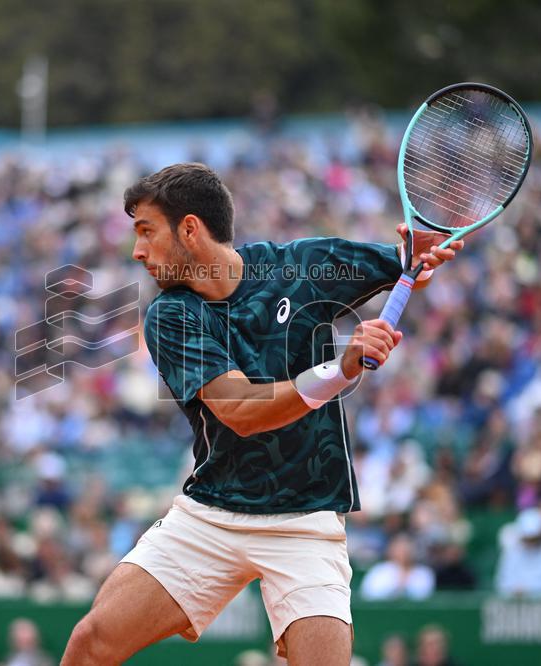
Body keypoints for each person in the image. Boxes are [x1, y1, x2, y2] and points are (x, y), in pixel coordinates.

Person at [62, 163, 461, 664]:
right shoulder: (171, 315)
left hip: (306, 519)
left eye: (147, 232)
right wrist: (343, 368)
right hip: (213, 514)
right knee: (90, 644)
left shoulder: (303, 266)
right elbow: (243, 412)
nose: (137, 251)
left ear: (190, 228)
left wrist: (419, 255)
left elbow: (405, 263)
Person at [495, 508, 541, 598]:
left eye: (533, 538)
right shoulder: (512, 552)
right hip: (515, 607)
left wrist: (529, 592)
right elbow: (502, 583)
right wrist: (515, 592)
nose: (530, 543)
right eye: (527, 539)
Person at [360, 533, 435, 600]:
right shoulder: (379, 570)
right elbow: (368, 595)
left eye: (407, 548)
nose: (403, 552)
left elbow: (424, 597)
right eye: (399, 548)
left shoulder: (424, 573)